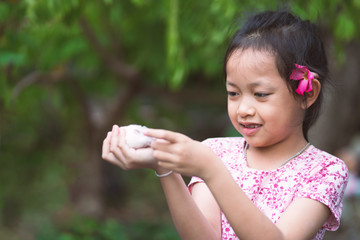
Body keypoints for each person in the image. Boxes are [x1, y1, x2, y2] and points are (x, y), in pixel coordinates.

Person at [102, 10, 348, 240]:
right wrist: (164, 167)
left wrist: (211, 170)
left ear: (306, 94)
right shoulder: (215, 152)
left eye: (261, 94)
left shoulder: (325, 171)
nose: (243, 109)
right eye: (233, 93)